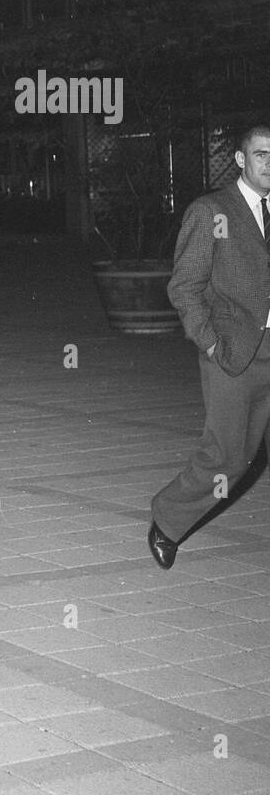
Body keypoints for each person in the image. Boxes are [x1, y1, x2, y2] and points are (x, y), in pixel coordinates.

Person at [149, 124, 270, 570]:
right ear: (240, 160)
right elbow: (183, 287)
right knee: (230, 457)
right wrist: (212, 343)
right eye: (261, 155)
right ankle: (168, 519)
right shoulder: (211, 211)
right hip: (235, 355)